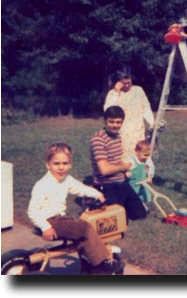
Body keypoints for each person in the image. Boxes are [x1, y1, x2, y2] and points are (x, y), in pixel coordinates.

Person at [28, 142, 124, 274]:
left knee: (81, 234)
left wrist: (98, 195)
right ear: (48, 165)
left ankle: (87, 264)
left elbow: (81, 188)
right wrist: (46, 227)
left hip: (60, 219)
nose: (61, 167)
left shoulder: (66, 179)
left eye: (65, 163)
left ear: (70, 164)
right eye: (56, 164)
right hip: (49, 221)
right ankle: (100, 264)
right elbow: (32, 211)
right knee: (85, 229)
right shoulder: (42, 185)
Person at [90, 105, 147, 220]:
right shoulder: (98, 139)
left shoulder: (117, 137)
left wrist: (125, 170)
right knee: (119, 220)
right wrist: (123, 167)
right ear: (105, 121)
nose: (115, 125)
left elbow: (116, 159)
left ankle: (119, 204)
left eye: (118, 122)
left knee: (140, 214)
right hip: (106, 185)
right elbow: (104, 170)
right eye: (111, 122)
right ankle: (94, 202)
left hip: (122, 183)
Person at [104, 70, 154, 159]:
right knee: (125, 158)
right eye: (124, 83)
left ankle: (146, 171)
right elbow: (108, 110)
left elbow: (146, 108)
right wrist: (116, 92)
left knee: (143, 154)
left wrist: (152, 123)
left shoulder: (138, 90)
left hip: (138, 131)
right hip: (122, 133)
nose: (127, 85)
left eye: (129, 83)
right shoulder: (112, 94)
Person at [125, 140, 154, 207]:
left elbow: (151, 167)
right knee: (133, 194)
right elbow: (126, 167)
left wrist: (149, 176)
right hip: (134, 182)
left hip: (143, 181)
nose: (146, 155)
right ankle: (131, 206)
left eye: (147, 152)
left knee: (143, 194)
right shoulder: (132, 160)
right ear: (137, 151)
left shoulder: (147, 160)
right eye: (143, 152)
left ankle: (143, 206)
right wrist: (127, 172)